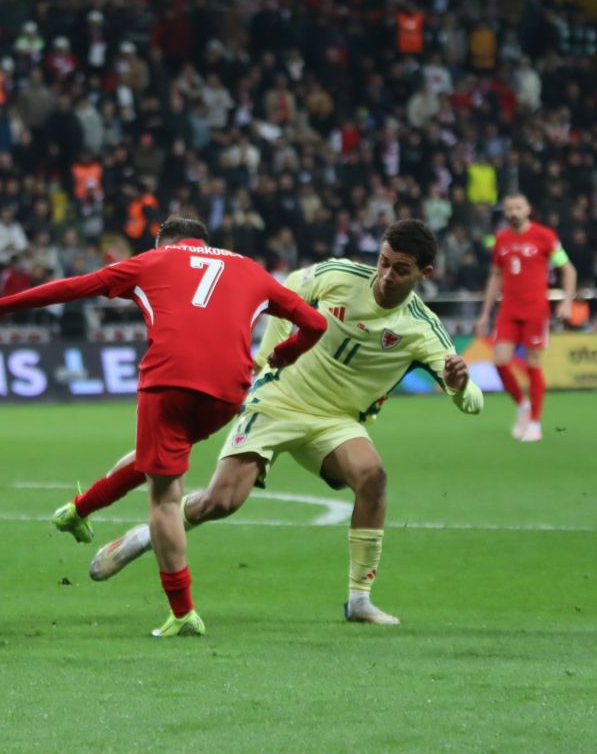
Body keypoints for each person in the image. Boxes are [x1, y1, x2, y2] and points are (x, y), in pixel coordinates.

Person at [80, 220, 482, 626]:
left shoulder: (423, 328)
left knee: (373, 477)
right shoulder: (340, 275)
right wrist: (270, 356)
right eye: (383, 262)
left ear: (424, 274)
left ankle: (359, 600)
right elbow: (287, 287)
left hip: (335, 421)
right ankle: (146, 535)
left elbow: (472, 402)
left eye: (401, 269)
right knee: (222, 501)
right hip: (279, 398)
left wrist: (461, 387)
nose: (386, 275)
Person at [0, 216, 327, 637]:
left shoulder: (151, 262)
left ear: (164, 242)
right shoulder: (250, 267)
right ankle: (77, 510)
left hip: (168, 382)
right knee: (160, 457)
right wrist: (284, 354)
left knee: (165, 498)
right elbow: (316, 324)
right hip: (227, 393)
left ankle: (182, 613)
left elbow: (74, 287)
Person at [473, 193, 577, 442]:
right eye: (509, 209)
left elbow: (568, 268)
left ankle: (535, 424)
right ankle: (523, 405)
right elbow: (495, 275)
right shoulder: (501, 240)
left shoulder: (545, 236)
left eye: (518, 207)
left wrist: (567, 300)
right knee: (499, 361)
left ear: (528, 209)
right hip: (508, 310)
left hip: (535, 311)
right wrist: (485, 313)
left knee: (533, 365)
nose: (514, 212)